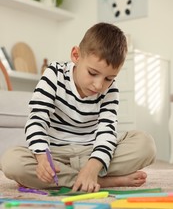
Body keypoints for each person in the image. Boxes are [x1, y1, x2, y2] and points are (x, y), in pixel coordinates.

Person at [0, 22, 156, 192]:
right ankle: (103, 181)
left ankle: (84, 176)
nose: (98, 85)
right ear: (76, 55)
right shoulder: (54, 74)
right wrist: (42, 159)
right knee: (11, 161)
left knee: (145, 144)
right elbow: (37, 119)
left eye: (108, 78)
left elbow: (107, 132)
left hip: (91, 153)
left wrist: (92, 166)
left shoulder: (111, 90)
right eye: (93, 73)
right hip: (56, 154)